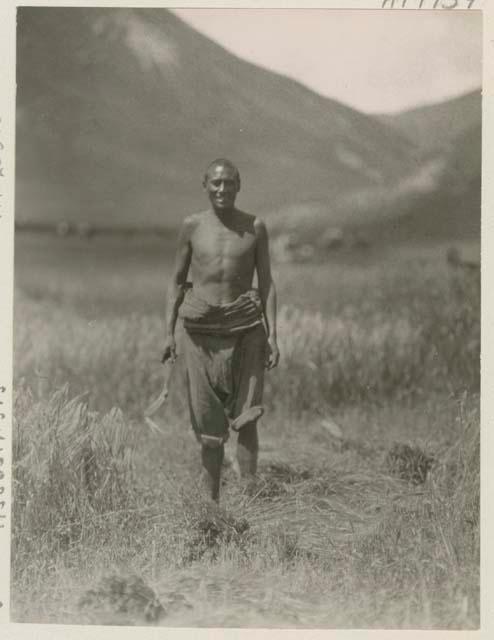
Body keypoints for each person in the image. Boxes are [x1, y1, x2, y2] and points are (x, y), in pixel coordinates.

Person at [162, 158, 279, 501]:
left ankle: (251, 497)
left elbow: (268, 283)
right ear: (205, 186)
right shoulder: (192, 227)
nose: (222, 189)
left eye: (229, 182)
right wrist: (168, 334)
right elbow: (175, 282)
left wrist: (274, 334)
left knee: (248, 419)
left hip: (246, 330)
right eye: (216, 183)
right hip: (200, 335)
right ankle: (211, 508)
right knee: (208, 429)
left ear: (239, 185)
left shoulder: (255, 227)